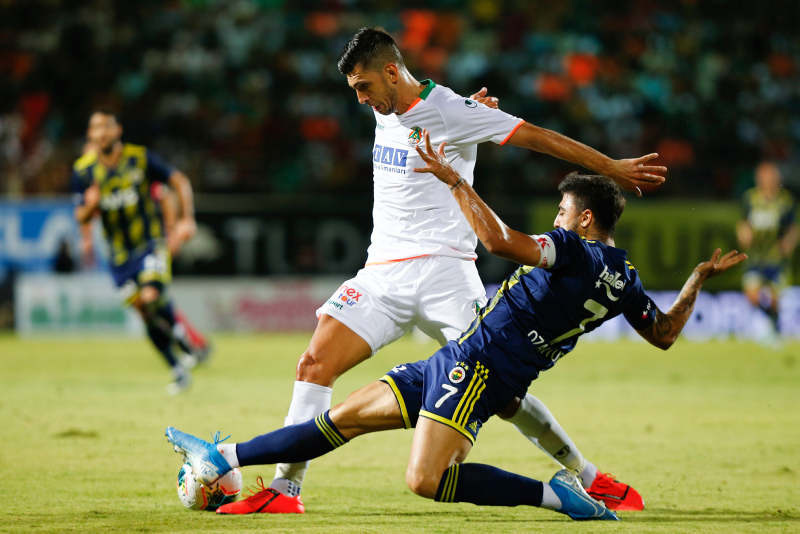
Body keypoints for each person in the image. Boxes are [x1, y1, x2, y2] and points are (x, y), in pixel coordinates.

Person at [166, 133, 745, 520]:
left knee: (425, 480)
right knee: (337, 421)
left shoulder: (573, 250)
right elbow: (664, 333)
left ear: (585, 219)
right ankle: (223, 457)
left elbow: (498, 241)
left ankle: (559, 497)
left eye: (562, 211)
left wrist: (454, 181)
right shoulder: (625, 279)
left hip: (478, 371)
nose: (556, 218)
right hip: (460, 358)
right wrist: (696, 279)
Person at [245, 27, 668, 513]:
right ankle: (285, 491)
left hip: (445, 273)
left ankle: (588, 477)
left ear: (391, 72)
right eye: (354, 89)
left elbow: (539, 138)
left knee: (504, 394)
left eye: (364, 86)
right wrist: (465, 112)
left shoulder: (453, 111)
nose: (360, 99)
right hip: (382, 274)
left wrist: (611, 167)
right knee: (314, 364)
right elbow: (423, 113)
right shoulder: (391, 107)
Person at [71, 109, 209, 395]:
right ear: (90, 135)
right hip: (117, 256)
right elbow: (80, 215)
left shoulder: (140, 159)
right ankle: (177, 368)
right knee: (143, 311)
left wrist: (185, 220)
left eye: (106, 126)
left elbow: (177, 183)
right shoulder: (83, 171)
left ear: (118, 130)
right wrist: (88, 211)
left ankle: (181, 336)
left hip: (149, 244)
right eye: (96, 128)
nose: (102, 133)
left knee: (150, 296)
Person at [736, 161, 798, 336]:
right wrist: (743, 234)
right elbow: (743, 223)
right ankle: (770, 320)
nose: (767, 179)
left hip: (776, 259)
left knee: (775, 299)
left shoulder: (786, 201)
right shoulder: (750, 199)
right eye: (763, 176)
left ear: (777, 178)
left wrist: (788, 242)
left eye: (770, 176)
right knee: (752, 296)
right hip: (755, 258)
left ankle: (774, 324)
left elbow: (793, 228)